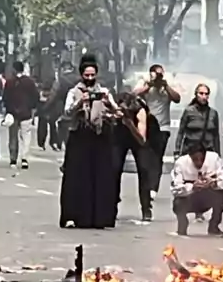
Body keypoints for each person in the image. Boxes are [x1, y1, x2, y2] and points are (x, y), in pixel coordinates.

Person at [60, 55, 122, 229]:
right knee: (77, 178)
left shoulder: (104, 91)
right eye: (86, 75)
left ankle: (100, 217)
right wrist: (81, 101)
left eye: (92, 75)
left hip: (99, 138)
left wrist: (108, 105)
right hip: (79, 138)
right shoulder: (73, 92)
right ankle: (74, 215)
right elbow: (67, 113)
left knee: (101, 178)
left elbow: (118, 113)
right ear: (81, 75)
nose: (89, 79)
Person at [132, 64, 181, 199]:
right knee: (146, 158)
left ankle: (154, 187)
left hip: (163, 127)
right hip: (147, 126)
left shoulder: (167, 85)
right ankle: (147, 185)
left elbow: (177, 98)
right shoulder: (145, 82)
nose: (158, 76)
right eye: (155, 73)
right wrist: (149, 86)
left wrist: (165, 86)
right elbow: (134, 94)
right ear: (150, 73)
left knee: (157, 158)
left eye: (160, 73)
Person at [113, 89, 157, 222]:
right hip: (120, 138)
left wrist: (129, 123)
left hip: (136, 135)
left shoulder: (139, 110)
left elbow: (142, 139)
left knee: (144, 170)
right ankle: (111, 204)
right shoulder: (114, 108)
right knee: (114, 169)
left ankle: (146, 207)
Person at [171, 141, 223, 238]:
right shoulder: (181, 163)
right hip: (189, 199)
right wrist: (192, 187)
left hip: (208, 196)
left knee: (222, 193)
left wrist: (214, 183)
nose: (199, 162)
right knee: (177, 203)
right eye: (195, 159)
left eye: (201, 159)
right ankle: (182, 226)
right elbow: (175, 189)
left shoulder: (214, 159)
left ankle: (214, 226)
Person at [2, 60, 38, 172]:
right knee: (26, 136)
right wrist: (31, 107)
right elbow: (35, 96)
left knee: (13, 137)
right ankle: (24, 158)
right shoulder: (30, 82)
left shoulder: (10, 82)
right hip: (26, 112)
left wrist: (8, 109)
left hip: (12, 113)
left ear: (14, 69)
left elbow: (5, 98)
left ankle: (13, 159)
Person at [175, 83, 222, 157]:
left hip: (208, 151)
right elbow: (181, 132)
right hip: (190, 150)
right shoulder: (189, 111)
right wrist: (177, 152)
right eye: (201, 93)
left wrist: (218, 155)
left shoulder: (213, 113)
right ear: (196, 94)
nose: (204, 96)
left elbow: (216, 136)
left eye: (206, 94)